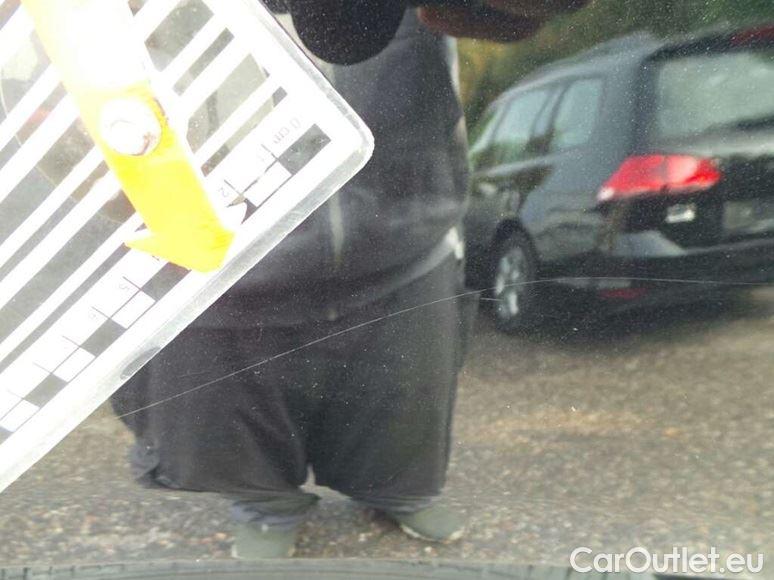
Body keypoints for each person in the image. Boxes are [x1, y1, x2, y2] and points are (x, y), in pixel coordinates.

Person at [112, 0, 586, 560]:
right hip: (234, 255)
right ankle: (265, 505)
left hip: (407, 229)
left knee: (406, 397)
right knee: (235, 404)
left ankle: (401, 491)